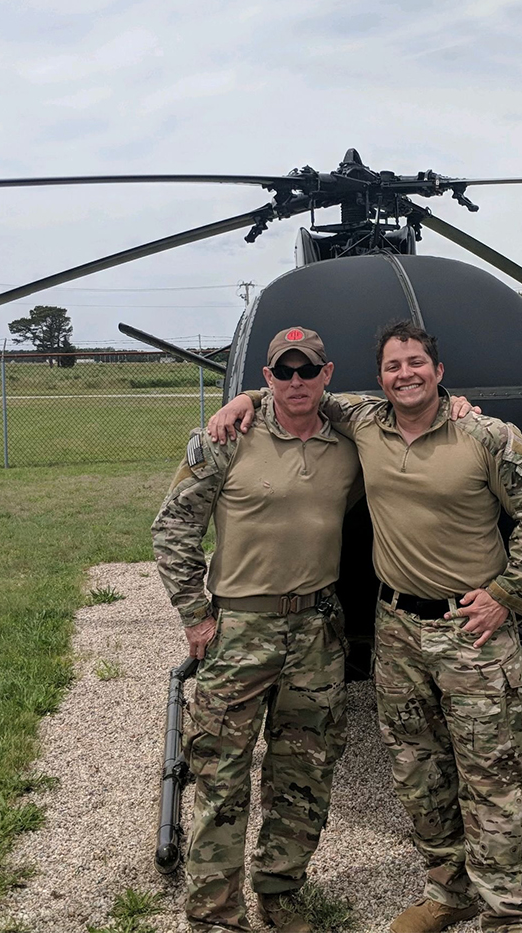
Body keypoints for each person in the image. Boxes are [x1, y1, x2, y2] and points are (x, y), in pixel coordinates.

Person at [209, 321, 522, 933]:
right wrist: (244, 399)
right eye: (394, 366)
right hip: (397, 629)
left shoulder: (487, 435)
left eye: (416, 363)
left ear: (439, 370)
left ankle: (509, 913)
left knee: (491, 776)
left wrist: (507, 594)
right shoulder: (365, 422)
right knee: (418, 772)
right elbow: (300, 394)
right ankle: (450, 892)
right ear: (380, 379)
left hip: (469, 633)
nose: (406, 374)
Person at [152, 326, 361, 933]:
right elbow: (173, 530)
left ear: (327, 375)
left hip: (318, 631)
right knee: (221, 774)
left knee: (306, 770)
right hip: (240, 627)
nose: (296, 382)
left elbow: (403, 407)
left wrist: (456, 401)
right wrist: (195, 616)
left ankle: (280, 890)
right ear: (267, 378)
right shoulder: (226, 437)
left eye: (308, 370)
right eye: (283, 372)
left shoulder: (349, 440)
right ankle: (216, 910)